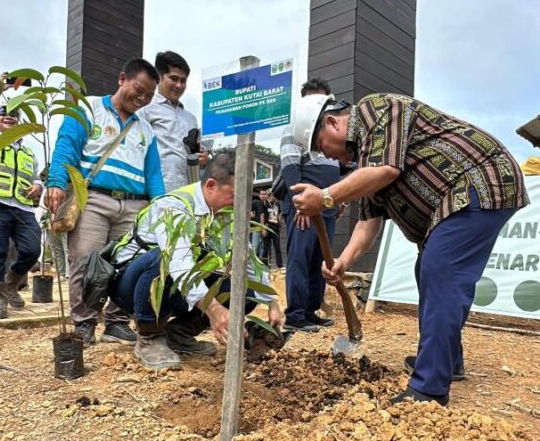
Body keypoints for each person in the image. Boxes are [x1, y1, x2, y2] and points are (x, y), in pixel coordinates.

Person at [291, 93, 528, 406]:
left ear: (333, 123)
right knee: (428, 268)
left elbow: (387, 169)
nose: (331, 158)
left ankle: (429, 390)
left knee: (440, 269)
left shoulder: (374, 110)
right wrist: (342, 263)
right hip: (454, 199)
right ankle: (447, 360)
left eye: (322, 147)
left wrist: (323, 197)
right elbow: (367, 225)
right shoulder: (365, 163)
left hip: (481, 179)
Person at [110, 152, 283, 369]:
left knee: (244, 289)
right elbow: (179, 264)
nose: (240, 205)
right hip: (132, 285)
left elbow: (246, 258)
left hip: (175, 286)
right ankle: (149, 338)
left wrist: (272, 302)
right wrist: (214, 310)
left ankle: (179, 333)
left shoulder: (225, 214)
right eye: (235, 196)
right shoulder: (174, 206)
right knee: (164, 258)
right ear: (211, 185)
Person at [47, 58, 165, 345]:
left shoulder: (145, 130)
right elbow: (67, 147)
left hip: (134, 206)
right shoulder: (88, 109)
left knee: (127, 267)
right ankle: (84, 323)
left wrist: (161, 205)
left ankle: (116, 322)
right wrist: (57, 184)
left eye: (149, 96)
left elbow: (154, 174)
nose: (142, 98)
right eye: (139, 89)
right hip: (93, 201)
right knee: (86, 263)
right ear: (122, 78)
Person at [0, 79, 43, 318]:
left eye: (14, 114)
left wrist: (37, 185)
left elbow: (36, 177)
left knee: (32, 249)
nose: (9, 117)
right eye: (3, 114)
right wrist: (0, 89)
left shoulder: (28, 151)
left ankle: (11, 284)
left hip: (22, 209)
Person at [278, 78, 341, 332]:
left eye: (321, 100)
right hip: (302, 204)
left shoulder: (332, 131)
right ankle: (295, 315)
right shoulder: (294, 126)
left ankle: (311, 310)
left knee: (320, 259)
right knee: (300, 259)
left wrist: (339, 198)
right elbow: (290, 166)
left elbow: (339, 167)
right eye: (311, 99)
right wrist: (298, 204)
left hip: (327, 205)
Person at [137, 51, 206, 192]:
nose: (179, 85)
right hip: (156, 190)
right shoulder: (146, 109)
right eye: (174, 79)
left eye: (183, 80)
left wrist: (204, 160)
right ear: (159, 78)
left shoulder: (191, 118)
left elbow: (197, 154)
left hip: (188, 191)